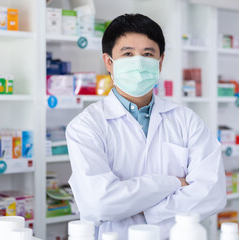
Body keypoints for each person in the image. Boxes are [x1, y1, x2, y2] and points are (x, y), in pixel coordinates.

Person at [66, 13, 226, 240]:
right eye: (128, 53)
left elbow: (212, 193)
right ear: (109, 62)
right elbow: (100, 204)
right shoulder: (85, 127)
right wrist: (171, 183)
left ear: (160, 62)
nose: (139, 62)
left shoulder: (187, 121)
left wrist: (143, 207)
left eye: (148, 54)